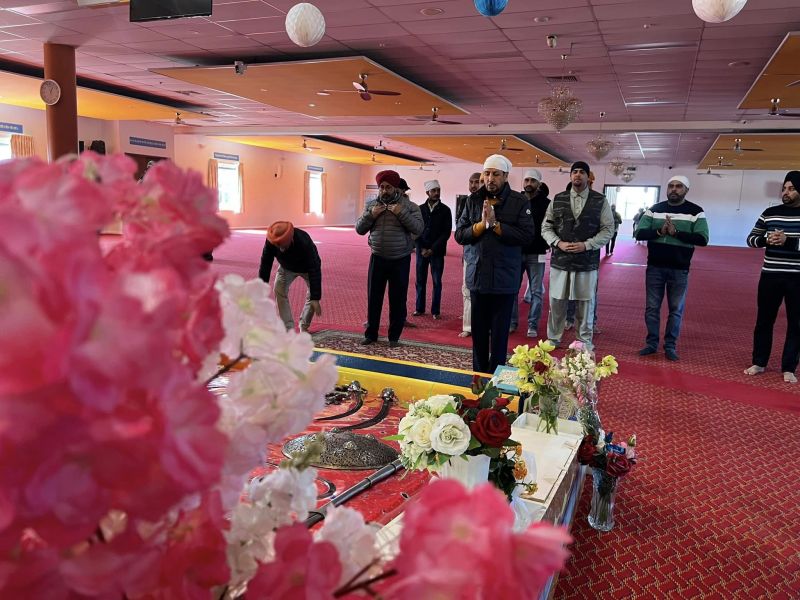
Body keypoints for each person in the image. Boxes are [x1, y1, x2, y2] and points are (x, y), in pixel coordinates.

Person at [455, 155, 534, 373]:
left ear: (506, 176)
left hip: (504, 278)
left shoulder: (519, 202)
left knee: (499, 336)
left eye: (495, 174)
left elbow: (527, 236)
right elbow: (460, 235)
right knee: (478, 335)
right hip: (478, 275)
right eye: (487, 173)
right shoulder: (472, 200)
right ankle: (479, 377)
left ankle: (497, 380)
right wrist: (480, 226)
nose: (490, 178)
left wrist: (497, 225)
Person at [634, 175, 709, 361]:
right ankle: (651, 344)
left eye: (678, 186)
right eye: (671, 186)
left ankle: (670, 345)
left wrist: (677, 233)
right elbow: (639, 233)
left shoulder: (696, 212)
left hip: (680, 269)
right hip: (655, 268)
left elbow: (703, 239)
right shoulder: (654, 210)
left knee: (676, 309)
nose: (674, 189)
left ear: (686, 190)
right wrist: (660, 231)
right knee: (652, 308)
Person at [542, 161, 614, 350]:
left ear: (588, 177)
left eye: (582, 172)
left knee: (585, 303)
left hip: (586, 262)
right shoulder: (558, 199)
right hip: (560, 261)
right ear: (570, 175)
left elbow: (608, 229)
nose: (578, 175)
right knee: (557, 301)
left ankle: (584, 341)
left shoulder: (600, 200)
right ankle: (553, 338)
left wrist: (587, 245)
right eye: (575, 172)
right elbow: (546, 227)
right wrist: (558, 243)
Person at [356, 170, 424, 347]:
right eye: (381, 187)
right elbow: (359, 229)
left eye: (388, 187)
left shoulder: (410, 207)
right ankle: (371, 334)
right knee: (374, 298)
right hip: (377, 258)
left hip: (400, 259)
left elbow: (418, 229)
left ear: (396, 188)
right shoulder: (371, 205)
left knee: (398, 299)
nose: (384, 191)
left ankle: (394, 337)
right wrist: (371, 215)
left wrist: (401, 213)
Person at [744, 171, 800, 383]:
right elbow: (751, 239)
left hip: (797, 278)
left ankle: (789, 367)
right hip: (770, 275)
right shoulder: (770, 212)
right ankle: (759, 361)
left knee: (796, 324)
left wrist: (788, 241)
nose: (786, 192)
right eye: (784, 188)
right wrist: (768, 240)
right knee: (764, 321)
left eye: (791, 189)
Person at [258, 221, 322, 333]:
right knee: (279, 290)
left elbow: (314, 268)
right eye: (277, 245)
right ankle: (288, 328)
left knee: (312, 298)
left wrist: (315, 297)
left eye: (282, 245)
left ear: (290, 239)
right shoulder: (271, 241)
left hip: (307, 269)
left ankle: (304, 325)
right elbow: (265, 263)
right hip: (286, 267)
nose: (279, 248)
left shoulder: (304, 241)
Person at [510, 168, 550, 338]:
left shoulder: (547, 204)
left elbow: (550, 227)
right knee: (512, 289)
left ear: (538, 184)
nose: (529, 184)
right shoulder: (516, 200)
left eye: (532, 181)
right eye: (526, 180)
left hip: (537, 253)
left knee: (536, 292)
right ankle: (512, 322)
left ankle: (532, 325)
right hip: (516, 252)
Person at [413, 180, 452, 320]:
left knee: (437, 282)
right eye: (434, 191)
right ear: (427, 193)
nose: (436, 193)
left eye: (438, 190)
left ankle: (436, 310)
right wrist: (422, 248)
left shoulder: (446, 210)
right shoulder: (419, 209)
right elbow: (415, 230)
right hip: (421, 251)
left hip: (437, 252)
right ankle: (419, 308)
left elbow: (446, 233)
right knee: (420, 280)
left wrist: (432, 249)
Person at [459, 172, 482, 338]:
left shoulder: (494, 202)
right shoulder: (467, 201)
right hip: (470, 252)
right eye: (471, 182)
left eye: (477, 182)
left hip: (488, 255)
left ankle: (484, 325)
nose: (474, 185)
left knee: (485, 291)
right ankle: (468, 326)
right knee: (467, 290)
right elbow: (460, 229)